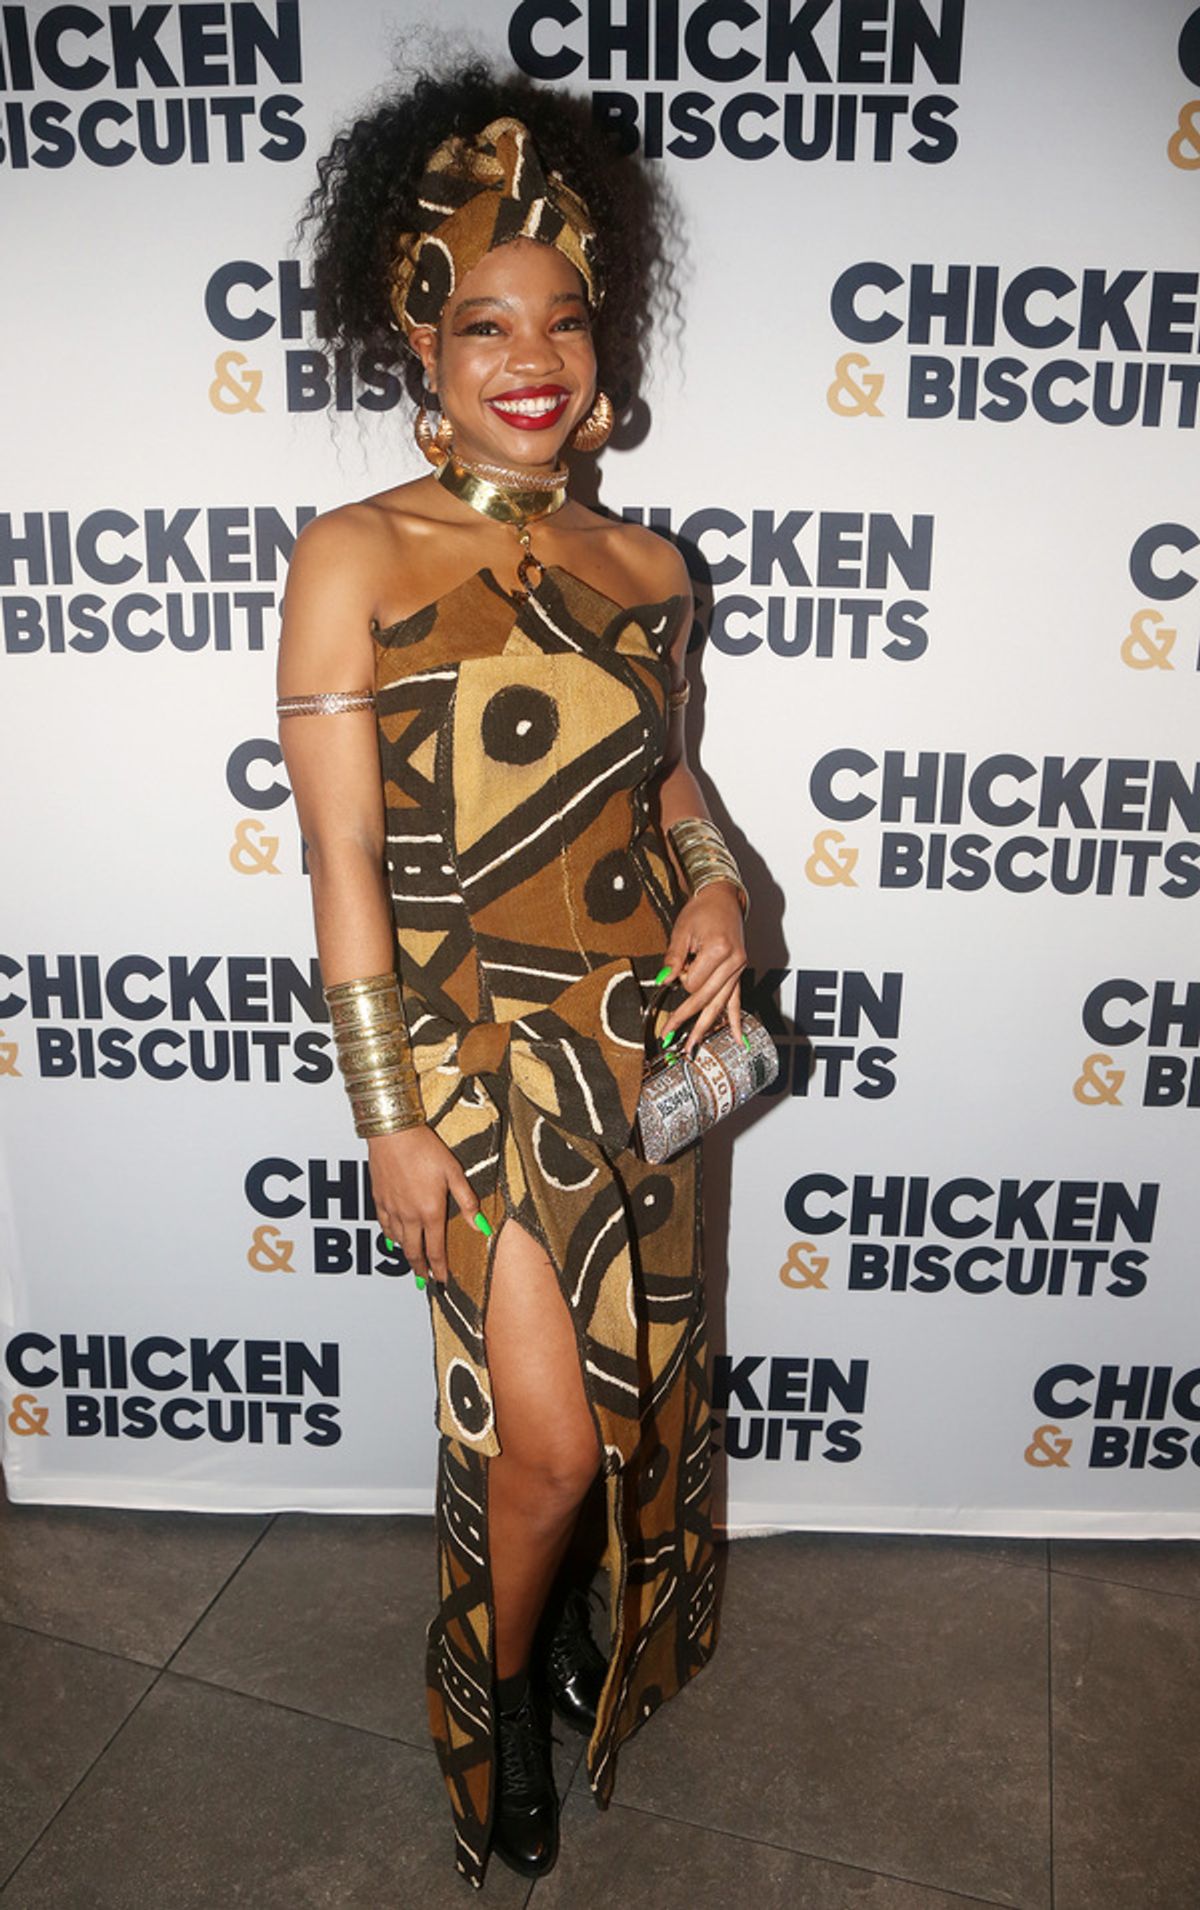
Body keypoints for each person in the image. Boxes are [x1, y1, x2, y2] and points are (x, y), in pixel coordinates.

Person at [278, 59, 751, 1888]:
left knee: (634, 1405)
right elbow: (339, 864)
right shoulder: (359, 556)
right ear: (420, 330)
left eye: (561, 317)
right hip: (474, 1065)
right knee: (544, 1442)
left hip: (645, 1047)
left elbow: (677, 788)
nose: (530, 355)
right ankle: (481, 1691)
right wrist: (390, 1121)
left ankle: (566, 1634)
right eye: (486, 320)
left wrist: (720, 895)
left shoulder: (652, 566)